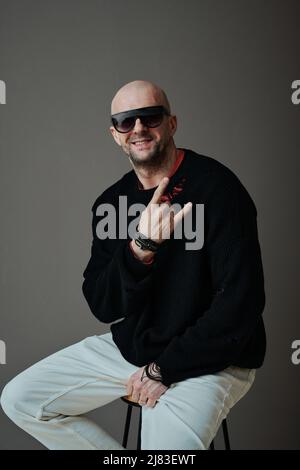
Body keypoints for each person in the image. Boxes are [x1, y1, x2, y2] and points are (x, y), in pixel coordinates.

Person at [0, 80, 266, 450]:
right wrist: (140, 249)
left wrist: (163, 369)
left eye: (150, 117)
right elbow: (103, 304)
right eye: (126, 121)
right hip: (138, 347)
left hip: (213, 358)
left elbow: (241, 303)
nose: (138, 128)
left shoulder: (219, 189)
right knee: (20, 400)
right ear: (115, 134)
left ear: (171, 123)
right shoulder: (111, 202)